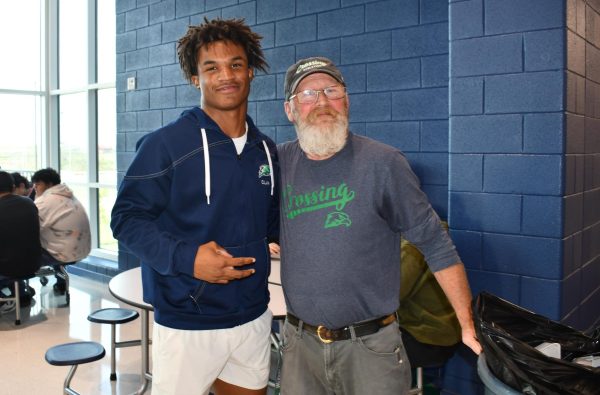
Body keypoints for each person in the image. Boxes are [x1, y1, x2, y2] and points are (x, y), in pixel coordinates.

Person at [277, 57, 482, 395]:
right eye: (309, 94)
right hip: (300, 347)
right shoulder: (278, 162)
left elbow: (436, 243)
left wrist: (466, 323)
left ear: (347, 101)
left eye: (332, 91)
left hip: (371, 349)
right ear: (290, 109)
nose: (323, 102)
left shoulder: (384, 163)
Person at [110, 18, 279, 395]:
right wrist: (189, 260)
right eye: (211, 67)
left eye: (235, 64)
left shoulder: (265, 150)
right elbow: (126, 219)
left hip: (252, 314)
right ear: (194, 78)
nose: (226, 76)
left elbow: (271, 223)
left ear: (250, 71)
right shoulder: (165, 145)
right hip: (188, 321)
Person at [31, 168, 91, 293]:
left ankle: (20, 292)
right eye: (34, 184)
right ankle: (60, 280)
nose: (34, 187)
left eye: (38, 184)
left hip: (61, 253)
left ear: (50, 184)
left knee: (15, 250)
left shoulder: (44, 201)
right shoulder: (70, 196)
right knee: (52, 235)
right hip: (80, 250)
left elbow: (26, 227)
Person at [0, 171, 41, 312]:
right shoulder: (29, 203)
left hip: (7, 267)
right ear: (12, 186)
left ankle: (4, 301)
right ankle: (22, 294)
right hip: (33, 263)